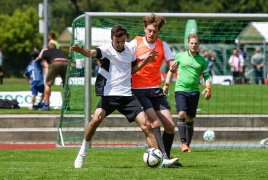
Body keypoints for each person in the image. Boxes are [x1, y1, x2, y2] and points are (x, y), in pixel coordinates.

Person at [70, 25, 160, 169]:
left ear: (125, 38)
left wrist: (146, 61)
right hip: (109, 95)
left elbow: (132, 69)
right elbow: (91, 52)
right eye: (117, 41)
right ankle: (82, 153)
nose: (120, 44)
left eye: (122, 41)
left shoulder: (130, 49)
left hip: (127, 96)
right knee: (95, 119)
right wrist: (81, 51)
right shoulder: (106, 49)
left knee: (147, 125)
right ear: (112, 38)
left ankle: (158, 159)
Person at [129, 13, 181, 168]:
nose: (152, 33)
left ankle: (165, 157)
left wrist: (172, 65)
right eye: (149, 30)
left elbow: (171, 61)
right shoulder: (135, 43)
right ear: (145, 29)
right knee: (154, 122)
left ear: (158, 32)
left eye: (155, 31)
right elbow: (129, 67)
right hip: (139, 90)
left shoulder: (162, 45)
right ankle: (163, 159)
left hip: (155, 90)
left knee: (170, 126)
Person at [163, 33, 211, 153]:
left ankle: (187, 145)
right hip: (180, 90)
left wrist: (208, 88)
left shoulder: (202, 60)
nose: (193, 45)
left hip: (194, 92)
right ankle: (183, 142)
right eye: (191, 43)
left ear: (198, 44)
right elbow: (170, 71)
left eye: (196, 43)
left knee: (190, 118)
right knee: (181, 114)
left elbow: (206, 76)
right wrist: (166, 85)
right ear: (188, 44)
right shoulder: (179, 56)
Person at [38, 42, 68, 110]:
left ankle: (46, 105)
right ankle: (67, 105)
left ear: (47, 48)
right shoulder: (59, 51)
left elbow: (40, 58)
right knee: (66, 84)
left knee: (48, 84)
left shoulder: (46, 52)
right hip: (65, 62)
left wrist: (43, 50)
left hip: (55, 62)